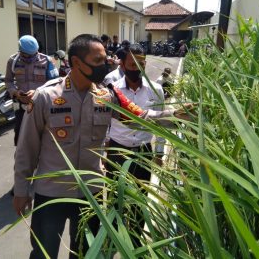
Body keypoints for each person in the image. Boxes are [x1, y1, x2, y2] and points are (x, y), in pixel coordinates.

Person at [12, 34, 191, 259]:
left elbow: (140, 117)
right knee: (44, 253)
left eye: (106, 59)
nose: (105, 65)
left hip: (91, 194)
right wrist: (21, 191)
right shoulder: (45, 97)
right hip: (51, 194)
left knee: (86, 253)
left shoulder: (107, 96)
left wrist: (176, 115)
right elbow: (26, 150)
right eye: (98, 61)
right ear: (77, 63)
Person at [105, 44, 166, 247]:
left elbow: (161, 124)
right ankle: (116, 237)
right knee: (116, 197)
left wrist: (159, 152)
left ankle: (136, 240)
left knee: (141, 197)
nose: (137, 68)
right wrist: (105, 149)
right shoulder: (112, 89)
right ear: (122, 64)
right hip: (117, 149)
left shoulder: (156, 90)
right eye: (132, 64)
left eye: (141, 63)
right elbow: (103, 120)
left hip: (143, 152)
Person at [4, 35, 59, 146]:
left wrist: (37, 92)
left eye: (34, 54)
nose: (30, 58)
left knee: (44, 138)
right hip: (22, 107)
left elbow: (55, 83)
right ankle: (22, 162)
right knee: (20, 138)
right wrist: (15, 92)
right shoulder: (12, 61)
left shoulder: (47, 61)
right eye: (27, 55)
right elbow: (8, 81)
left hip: (41, 106)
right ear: (20, 51)